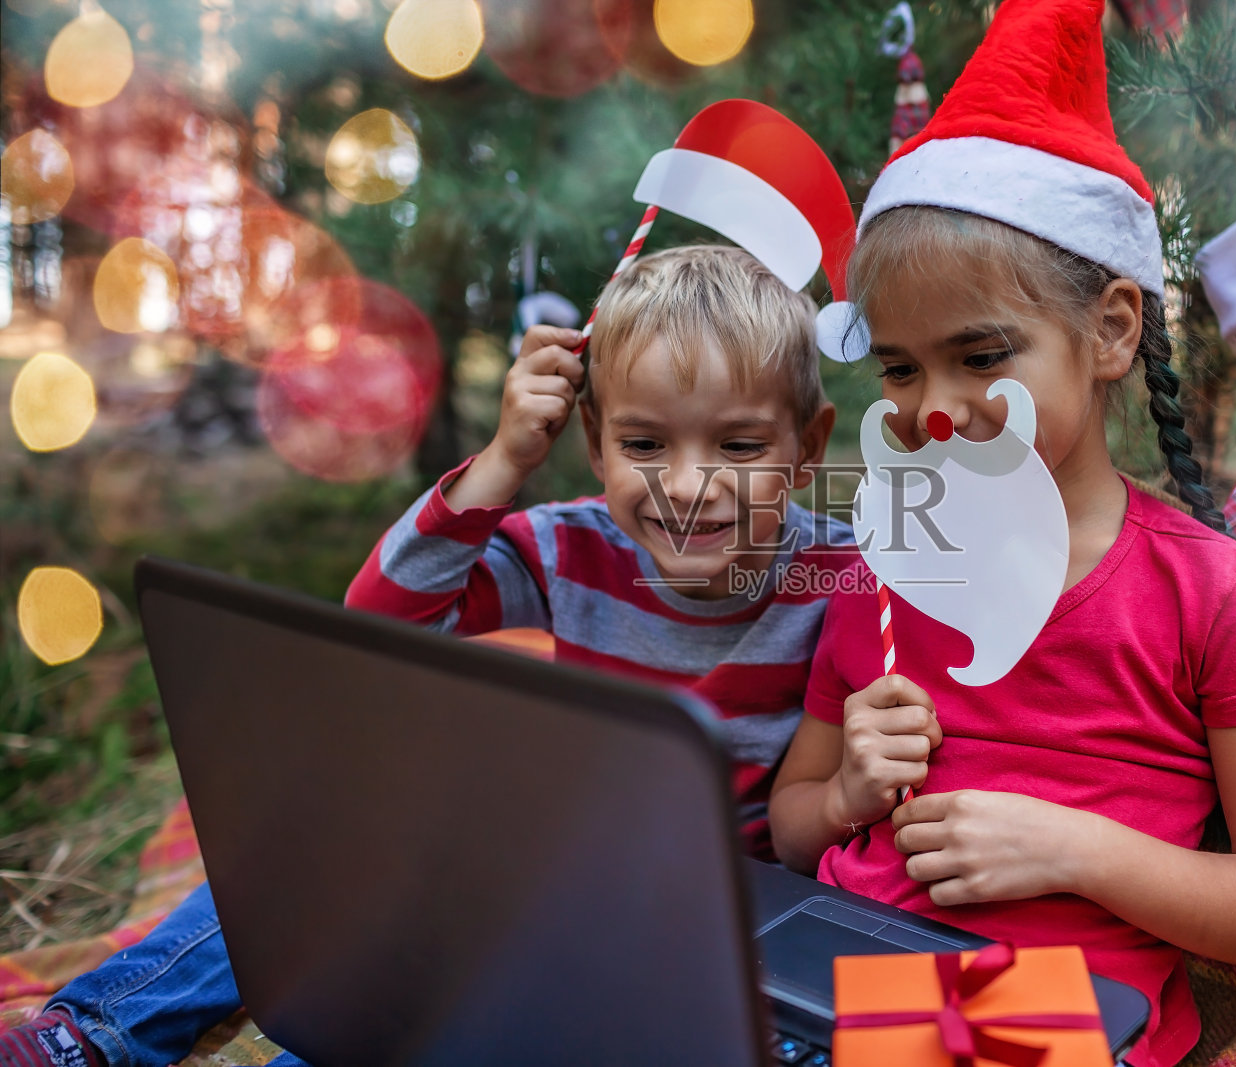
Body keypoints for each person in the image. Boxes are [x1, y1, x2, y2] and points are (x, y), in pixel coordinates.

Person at [3, 245, 850, 1067]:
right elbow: (388, 622)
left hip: (701, 934)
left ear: (808, 448)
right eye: (646, 446)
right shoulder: (568, 547)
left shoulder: (844, 577)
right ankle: (96, 1031)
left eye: (739, 448)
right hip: (541, 876)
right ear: (593, 441)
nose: (689, 484)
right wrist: (504, 459)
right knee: (337, 835)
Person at [768, 4, 1236, 1067]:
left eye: (981, 354)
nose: (928, 406)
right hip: (827, 976)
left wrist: (1075, 848)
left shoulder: (1209, 593)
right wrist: (845, 791)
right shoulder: (879, 571)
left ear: (1112, 330)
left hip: (1040, 1014)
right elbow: (793, 826)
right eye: (897, 367)